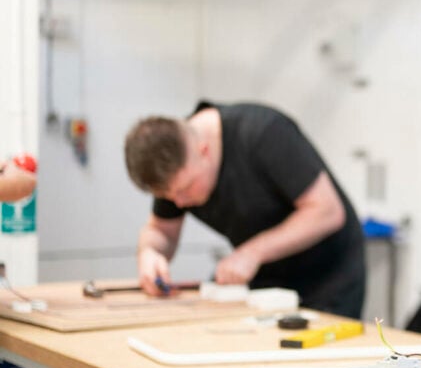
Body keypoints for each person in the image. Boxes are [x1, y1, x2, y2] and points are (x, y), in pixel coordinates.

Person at [124, 101, 365, 318]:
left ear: (204, 151)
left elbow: (327, 211)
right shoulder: (175, 166)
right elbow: (162, 229)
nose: (179, 203)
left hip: (327, 274)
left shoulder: (264, 133)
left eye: (185, 189)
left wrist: (251, 253)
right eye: (168, 196)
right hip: (266, 276)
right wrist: (149, 253)